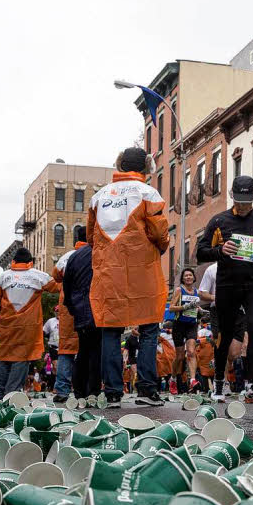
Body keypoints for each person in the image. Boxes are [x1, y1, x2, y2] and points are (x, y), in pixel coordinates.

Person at [86, 146, 169, 408]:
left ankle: (112, 393)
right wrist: (161, 246)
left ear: (120, 165)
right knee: (148, 328)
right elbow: (159, 233)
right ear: (145, 166)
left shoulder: (98, 197)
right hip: (143, 271)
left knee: (110, 331)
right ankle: (147, 389)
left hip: (108, 273)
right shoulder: (148, 193)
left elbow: (91, 237)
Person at [196, 175, 253, 403]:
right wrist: (220, 250)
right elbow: (201, 252)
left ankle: (252, 387)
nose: (243, 205)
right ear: (232, 196)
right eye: (239, 200)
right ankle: (217, 383)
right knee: (224, 335)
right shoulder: (219, 221)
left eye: (247, 200)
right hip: (226, 284)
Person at [0, 246, 58, 396]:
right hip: (28, 326)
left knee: (3, 356)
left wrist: (4, 311)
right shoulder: (38, 276)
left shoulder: (4, 277)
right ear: (30, 262)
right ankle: (12, 394)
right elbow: (56, 287)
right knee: (21, 358)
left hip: (7, 325)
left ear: (13, 261)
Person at [62, 228, 101, 399]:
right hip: (97, 307)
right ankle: (92, 390)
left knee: (84, 350)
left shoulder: (73, 256)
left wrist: (71, 306)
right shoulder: (100, 251)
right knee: (96, 351)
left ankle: (79, 391)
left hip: (79, 308)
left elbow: (66, 284)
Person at [52, 227, 88, 402]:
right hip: (89, 306)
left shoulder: (66, 257)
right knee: (89, 349)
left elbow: (55, 277)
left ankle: (62, 390)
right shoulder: (96, 253)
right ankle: (87, 390)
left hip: (68, 308)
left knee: (66, 349)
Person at [198, 261, 246, 384]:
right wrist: (216, 297)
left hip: (238, 312)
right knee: (221, 348)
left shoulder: (243, 267)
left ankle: (219, 365)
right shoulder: (212, 269)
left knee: (234, 354)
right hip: (218, 311)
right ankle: (221, 381)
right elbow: (202, 292)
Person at [169, 268, 202, 392]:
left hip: (192, 325)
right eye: (186, 276)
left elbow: (196, 307)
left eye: (190, 275)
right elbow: (171, 308)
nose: (188, 277)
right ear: (182, 278)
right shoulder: (179, 290)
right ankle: (172, 379)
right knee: (180, 356)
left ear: (194, 277)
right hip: (179, 325)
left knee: (192, 352)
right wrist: (185, 306)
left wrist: (200, 311)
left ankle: (193, 380)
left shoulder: (196, 292)